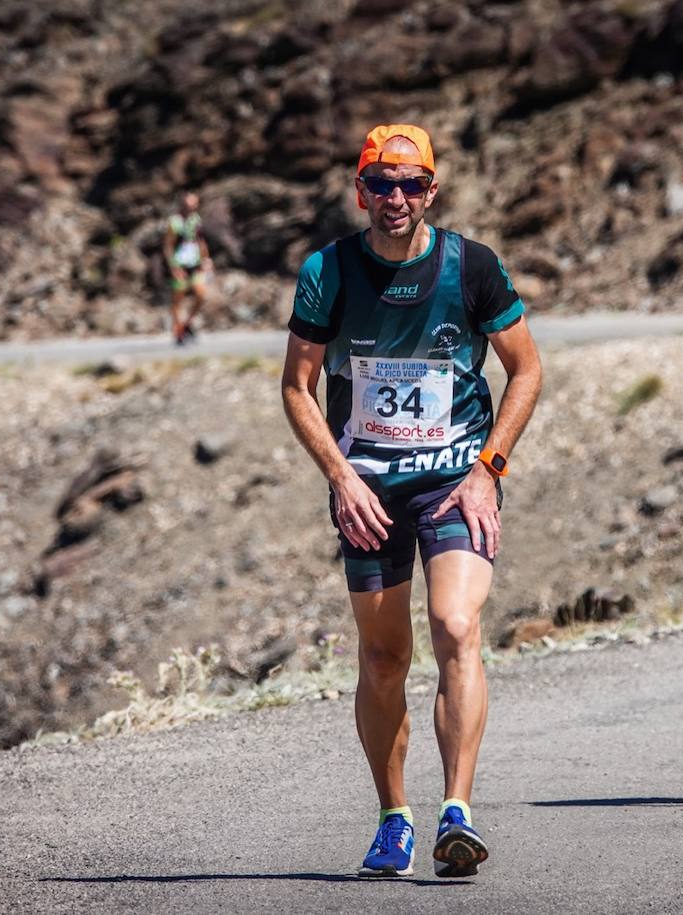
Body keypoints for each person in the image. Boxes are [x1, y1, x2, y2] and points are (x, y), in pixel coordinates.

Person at [281, 124, 542, 877]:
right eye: (381, 184)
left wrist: (490, 467)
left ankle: (456, 810)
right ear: (360, 189)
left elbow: (526, 370)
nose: (396, 198)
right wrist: (341, 476)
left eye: (411, 185)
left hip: (454, 477)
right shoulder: (328, 271)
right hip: (367, 487)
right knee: (384, 654)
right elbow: (297, 388)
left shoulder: (472, 267)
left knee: (456, 623)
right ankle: (394, 815)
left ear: (432, 190)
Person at [162, 191, 213, 345]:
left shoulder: (195, 219)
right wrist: (173, 267)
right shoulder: (174, 222)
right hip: (180, 264)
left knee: (201, 294)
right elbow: (168, 245)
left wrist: (206, 259)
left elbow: (200, 241)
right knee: (178, 299)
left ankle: (186, 324)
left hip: (194, 263)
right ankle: (178, 331)